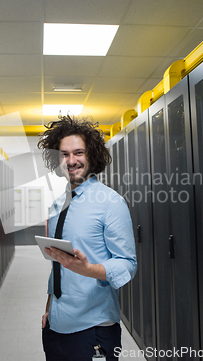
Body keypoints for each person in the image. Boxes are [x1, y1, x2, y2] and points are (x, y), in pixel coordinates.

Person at [37, 115, 137, 361]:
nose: (71, 161)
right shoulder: (57, 204)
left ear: (91, 156)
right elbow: (58, 264)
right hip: (55, 326)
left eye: (78, 153)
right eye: (64, 154)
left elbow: (127, 263)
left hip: (93, 329)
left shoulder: (111, 203)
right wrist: (50, 308)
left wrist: (90, 268)